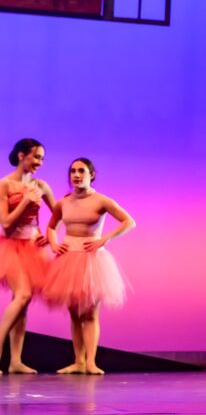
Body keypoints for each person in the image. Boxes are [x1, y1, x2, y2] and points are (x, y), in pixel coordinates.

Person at [43, 158, 136, 375]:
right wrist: (54, 244)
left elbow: (129, 221)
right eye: (73, 171)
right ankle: (78, 361)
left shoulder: (101, 200)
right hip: (68, 260)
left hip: (91, 261)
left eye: (81, 171)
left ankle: (91, 362)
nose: (76, 175)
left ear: (91, 175)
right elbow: (51, 227)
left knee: (91, 313)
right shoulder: (63, 202)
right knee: (74, 314)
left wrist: (105, 239)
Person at [0, 138, 56, 375]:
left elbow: (59, 213)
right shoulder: (5, 185)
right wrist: (25, 201)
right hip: (11, 246)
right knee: (22, 295)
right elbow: (6, 224)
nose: (39, 162)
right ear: (21, 155)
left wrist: (49, 236)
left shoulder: (40, 185)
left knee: (22, 303)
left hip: (33, 247)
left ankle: (15, 361)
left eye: (42, 158)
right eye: (36, 156)